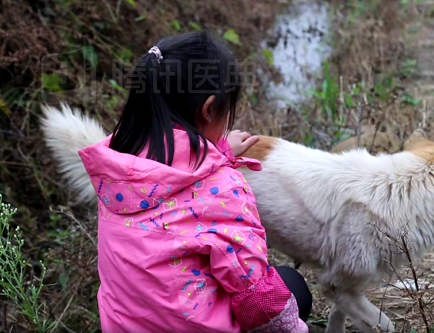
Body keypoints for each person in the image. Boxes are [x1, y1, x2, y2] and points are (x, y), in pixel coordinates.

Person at [78, 30, 312, 333]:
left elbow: (174, 183)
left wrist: (219, 151)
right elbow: (255, 292)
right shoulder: (226, 189)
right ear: (209, 108)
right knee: (293, 287)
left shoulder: (116, 165)